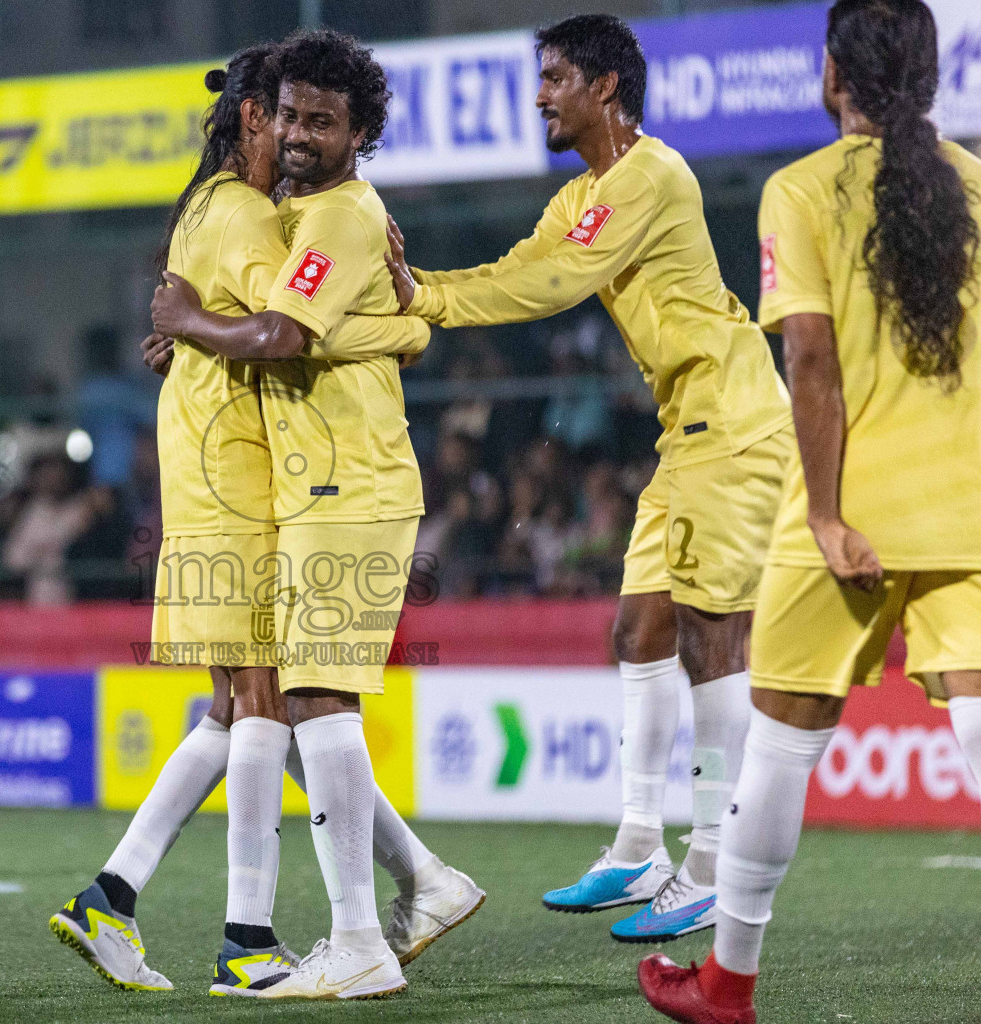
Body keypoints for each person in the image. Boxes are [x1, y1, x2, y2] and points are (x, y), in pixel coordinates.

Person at [637, 1, 981, 1021]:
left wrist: (825, 516)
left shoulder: (801, 190)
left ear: (832, 74)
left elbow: (810, 362)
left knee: (781, 738)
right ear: (930, 74)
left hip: (852, 511)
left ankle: (727, 982)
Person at [51, 42, 480, 998]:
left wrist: (192, 324)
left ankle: (125, 899)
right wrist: (404, 325)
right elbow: (287, 327)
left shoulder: (243, 210)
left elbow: (280, 320)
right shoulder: (247, 214)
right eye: (281, 114)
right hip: (243, 489)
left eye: (311, 119)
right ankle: (246, 931)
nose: (288, 134)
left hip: (255, 487)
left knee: (260, 703)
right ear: (255, 116)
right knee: (266, 702)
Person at [383, 14, 793, 942]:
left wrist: (425, 299)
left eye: (555, 77)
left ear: (606, 87)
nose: (540, 96)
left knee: (710, 639)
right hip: (688, 433)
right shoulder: (581, 198)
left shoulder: (653, 173)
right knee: (638, 629)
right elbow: (525, 268)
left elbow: (556, 285)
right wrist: (425, 294)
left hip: (736, 426)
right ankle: (640, 845)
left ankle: (716, 862)